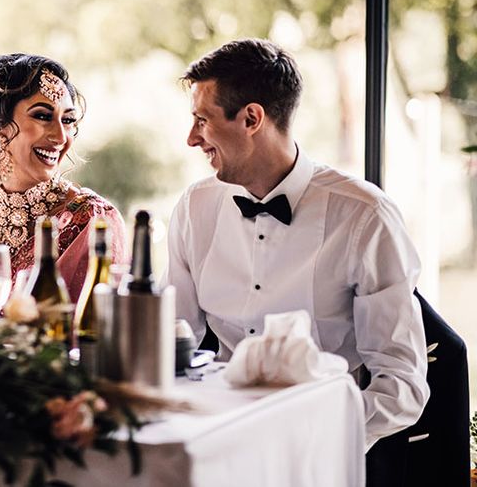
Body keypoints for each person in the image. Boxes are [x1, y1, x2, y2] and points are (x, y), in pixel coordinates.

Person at [165, 38, 429, 451]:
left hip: (316, 451)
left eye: (202, 120)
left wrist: (313, 438)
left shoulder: (365, 217)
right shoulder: (194, 209)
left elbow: (402, 383)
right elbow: (172, 341)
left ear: (252, 118)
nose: (191, 138)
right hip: (215, 440)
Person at [0, 53, 126, 305]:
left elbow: (102, 330)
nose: (61, 136)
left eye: (68, 120)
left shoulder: (93, 220)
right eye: (42, 116)